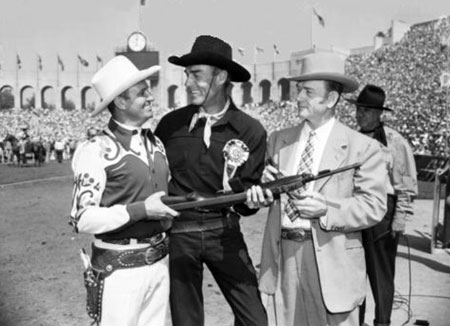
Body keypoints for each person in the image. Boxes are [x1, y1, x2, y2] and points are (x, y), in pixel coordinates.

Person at [258, 52, 389, 326]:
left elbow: (374, 206)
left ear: (330, 100)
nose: (298, 98)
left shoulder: (363, 147)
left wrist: (326, 209)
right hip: (283, 256)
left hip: (333, 260)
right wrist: (264, 187)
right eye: (298, 90)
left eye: (308, 91)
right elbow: (265, 198)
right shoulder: (278, 140)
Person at [154, 35, 268, 326]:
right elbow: (155, 182)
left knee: (254, 318)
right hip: (180, 235)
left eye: (196, 75)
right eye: (186, 75)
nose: (188, 83)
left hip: (225, 234)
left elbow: (246, 201)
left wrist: (254, 202)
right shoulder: (169, 125)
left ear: (221, 77)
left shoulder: (250, 130)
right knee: (186, 320)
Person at [70, 55, 179, 326]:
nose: (151, 97)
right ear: (120, 101)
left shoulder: (157, 145)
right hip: (119, 269)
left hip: (160, 263)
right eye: (142, 93)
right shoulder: (94, 150)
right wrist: (140, 210)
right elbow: (82, 218)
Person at [346, 84, 418, 326]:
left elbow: (405, 182)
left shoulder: (395, 141)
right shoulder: (351, 138)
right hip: (355, 209)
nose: (359, 115)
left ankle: (382, 322)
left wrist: (400, 216)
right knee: (355, 273)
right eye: (358, 110)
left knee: (381, 274)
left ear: (379, 113)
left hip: (383, 213)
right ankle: (357, 321)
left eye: (366, 111)